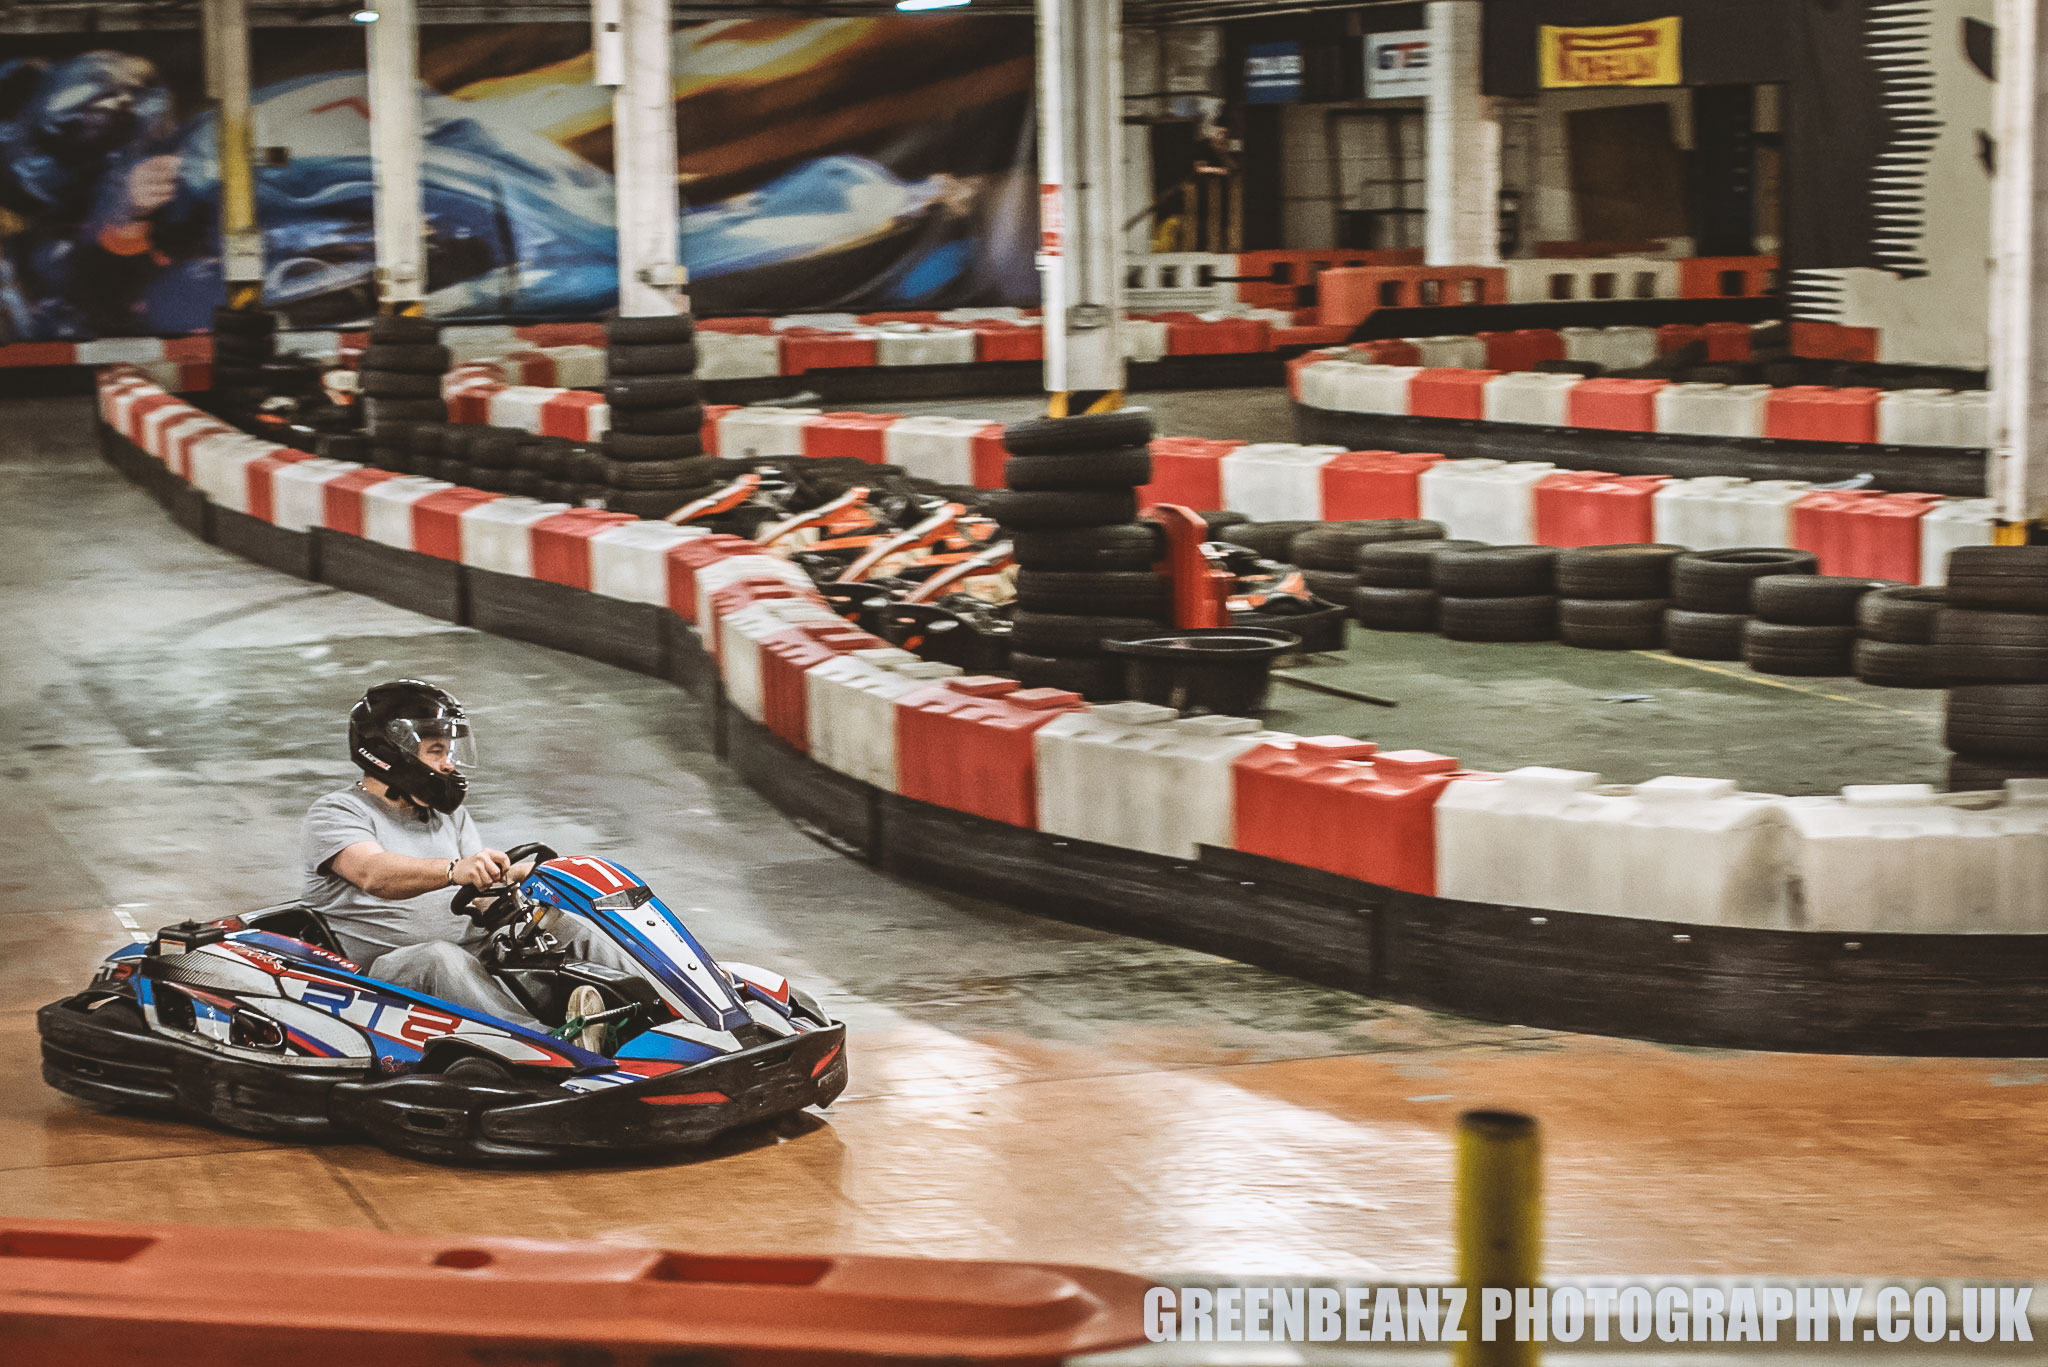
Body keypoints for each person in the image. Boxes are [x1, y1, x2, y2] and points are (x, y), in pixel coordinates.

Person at [298, 679, 641, 1053]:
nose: (448, 763)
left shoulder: (448, 816)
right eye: (435, 751)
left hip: (473, 954)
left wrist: (520, 881)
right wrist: (453, 870)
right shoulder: (336, 811)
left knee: (568, 928)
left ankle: (665, 1012)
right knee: (439, 956)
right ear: (389, 752)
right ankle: (548, 1048)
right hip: (379, 980)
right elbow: (373, 873)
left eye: (448, 750)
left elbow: (477, 895)